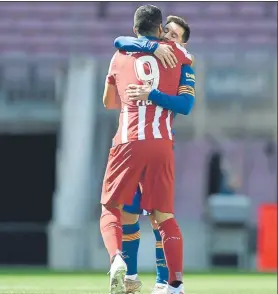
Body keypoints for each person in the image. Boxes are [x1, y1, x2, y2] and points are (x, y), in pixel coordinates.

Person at [100, 5, 192, 294]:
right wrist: (152, 45)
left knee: (116, 210)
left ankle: (138, 271)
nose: (171, 37)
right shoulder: (180, 56)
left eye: (177, 35)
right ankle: (144, 281)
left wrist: (148, 93)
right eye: (168, 31)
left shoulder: (120, 55)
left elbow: (109, 102)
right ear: (160, 29)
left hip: (128, 143)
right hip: (160, 144)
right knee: (149, 216)